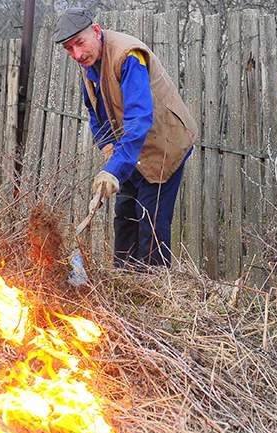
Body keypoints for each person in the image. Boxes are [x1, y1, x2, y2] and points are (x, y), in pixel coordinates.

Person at [54, 7, 197, 267]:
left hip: (163, 144)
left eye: (79, 43)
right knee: (124, 216)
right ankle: (122, 281)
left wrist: (114, 169)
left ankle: (153, 284)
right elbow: (94, 109)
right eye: (69, 49)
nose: (76, 54)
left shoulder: (129, 56)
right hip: (130, 148)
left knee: (150, 220)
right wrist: (107, 146)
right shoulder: (88, 63)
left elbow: (139, 118)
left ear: (96, 31)